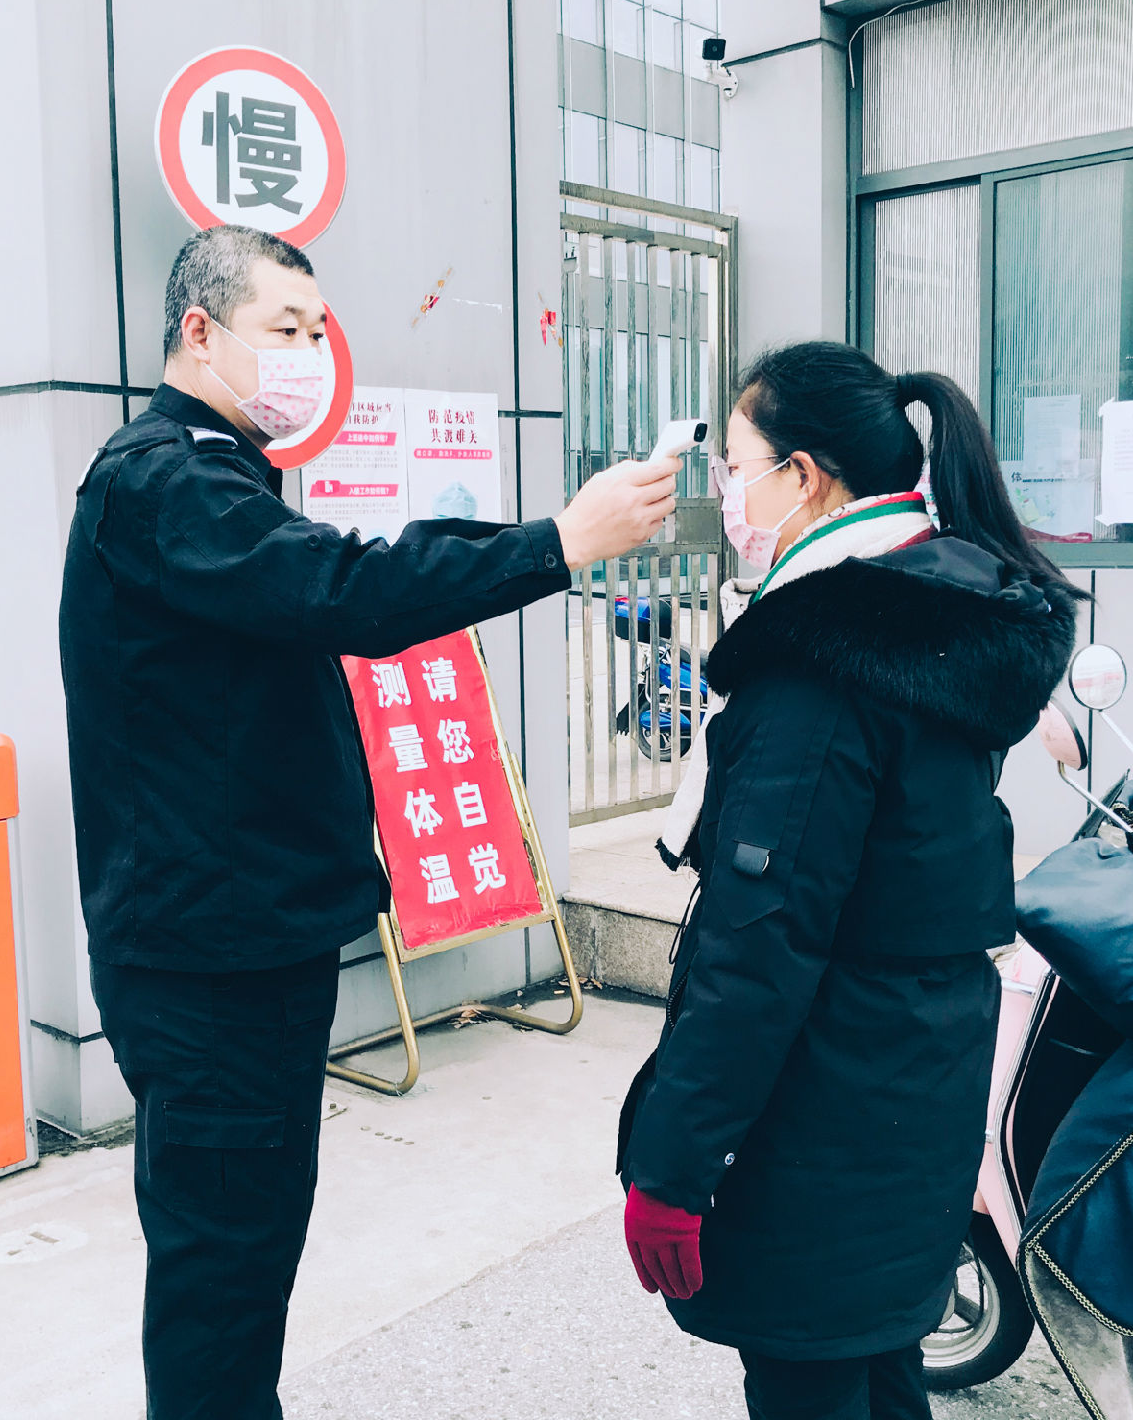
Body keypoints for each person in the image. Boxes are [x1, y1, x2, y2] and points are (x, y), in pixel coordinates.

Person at [58, 224, 678, 1419]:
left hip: (242, 945)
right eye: (284, 330)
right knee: (222, 1277)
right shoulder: (165, 483)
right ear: (200, 331)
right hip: (209, 964)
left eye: (317, 331)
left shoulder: (217, 476)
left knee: (242, 1260)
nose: (308, 353)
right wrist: (559, 542)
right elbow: (349, 590)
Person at [615, 341, 1084, 1420]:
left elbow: (761, 942)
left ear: (804, 475)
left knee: (817, 1374)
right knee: (878, 1367)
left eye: (736, 467)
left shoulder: (822, 663)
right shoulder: (943, 610)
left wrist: (674, 1169)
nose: (728, 495)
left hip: (823, 1112)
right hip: (913, 1080)